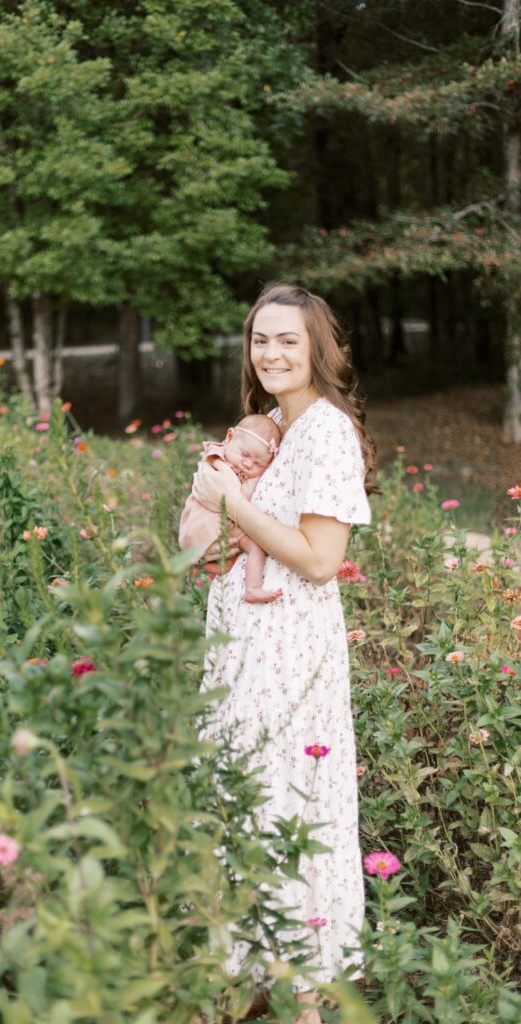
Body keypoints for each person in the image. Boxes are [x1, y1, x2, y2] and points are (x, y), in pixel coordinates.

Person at [193, 283, 377, 1024]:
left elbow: (318, 559)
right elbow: (212, 544)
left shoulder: (326, 432)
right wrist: (207, 506)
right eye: (259, 340)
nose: (271, 353)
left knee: (288, 810)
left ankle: (303, 1005)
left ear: (316, 350)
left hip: (291, 656)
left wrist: (231, 505)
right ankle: (241, 988)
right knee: (244, 808)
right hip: (243, 650)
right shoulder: (265, 427)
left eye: (287, 341)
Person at [178, 414, 283, 603]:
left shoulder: (240, 465)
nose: (248, 464)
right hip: (205, 522)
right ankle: (251, 587)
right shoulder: (216, 458)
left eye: (259, 463)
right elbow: (233, 495)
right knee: (257, 546)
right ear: (229, 437)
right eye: (244, 454)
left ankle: (247, 585)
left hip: (226, 527)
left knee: (255, 547)